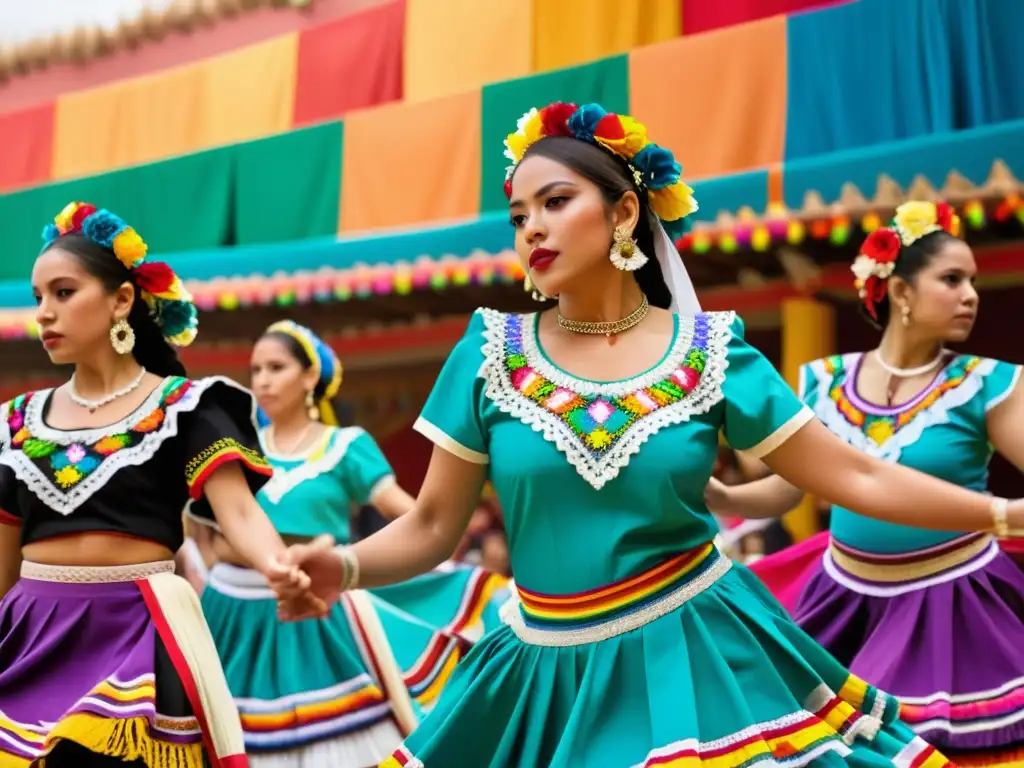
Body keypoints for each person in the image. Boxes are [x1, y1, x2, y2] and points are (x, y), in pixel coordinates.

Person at [282, 102, 1024, 767]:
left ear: (626, 213)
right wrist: (341, 567)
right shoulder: (487, 354)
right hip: (543, 672)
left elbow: (856, 476)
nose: (531, 226)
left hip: (695, 655)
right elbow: (434, 525)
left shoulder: (713, 352)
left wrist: (1001, 514)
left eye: (555, 200)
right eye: (518, 215)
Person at [0, 203, 324, 768]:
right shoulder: (14, 422)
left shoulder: (187, 407)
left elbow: (239, 513)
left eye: (63, 292)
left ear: (122, 299)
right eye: (38, 298)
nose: (44, 314)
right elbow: (3, 562)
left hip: (138, 637)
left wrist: (278, 567)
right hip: (30, 639)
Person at [706, 201, 1024, 766]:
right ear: (900, 292)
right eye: (952, 279)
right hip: (844, 604)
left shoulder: (989, 383)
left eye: (974, 281)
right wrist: (726, 497)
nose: (971, 294)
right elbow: (789, 489)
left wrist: (1006, 514)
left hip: (955, 608)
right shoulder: (822, 379)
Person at [196, 320, 508, 766]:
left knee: (335, 738)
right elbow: (209, 536)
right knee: (222, 734)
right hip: (232, 611)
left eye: (276, 367)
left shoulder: (345, 445)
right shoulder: (234, 450)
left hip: (318, 607)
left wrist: (443, 539)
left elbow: (412, 515)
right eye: (256, 370)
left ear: (309, 376)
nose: (262, 380)